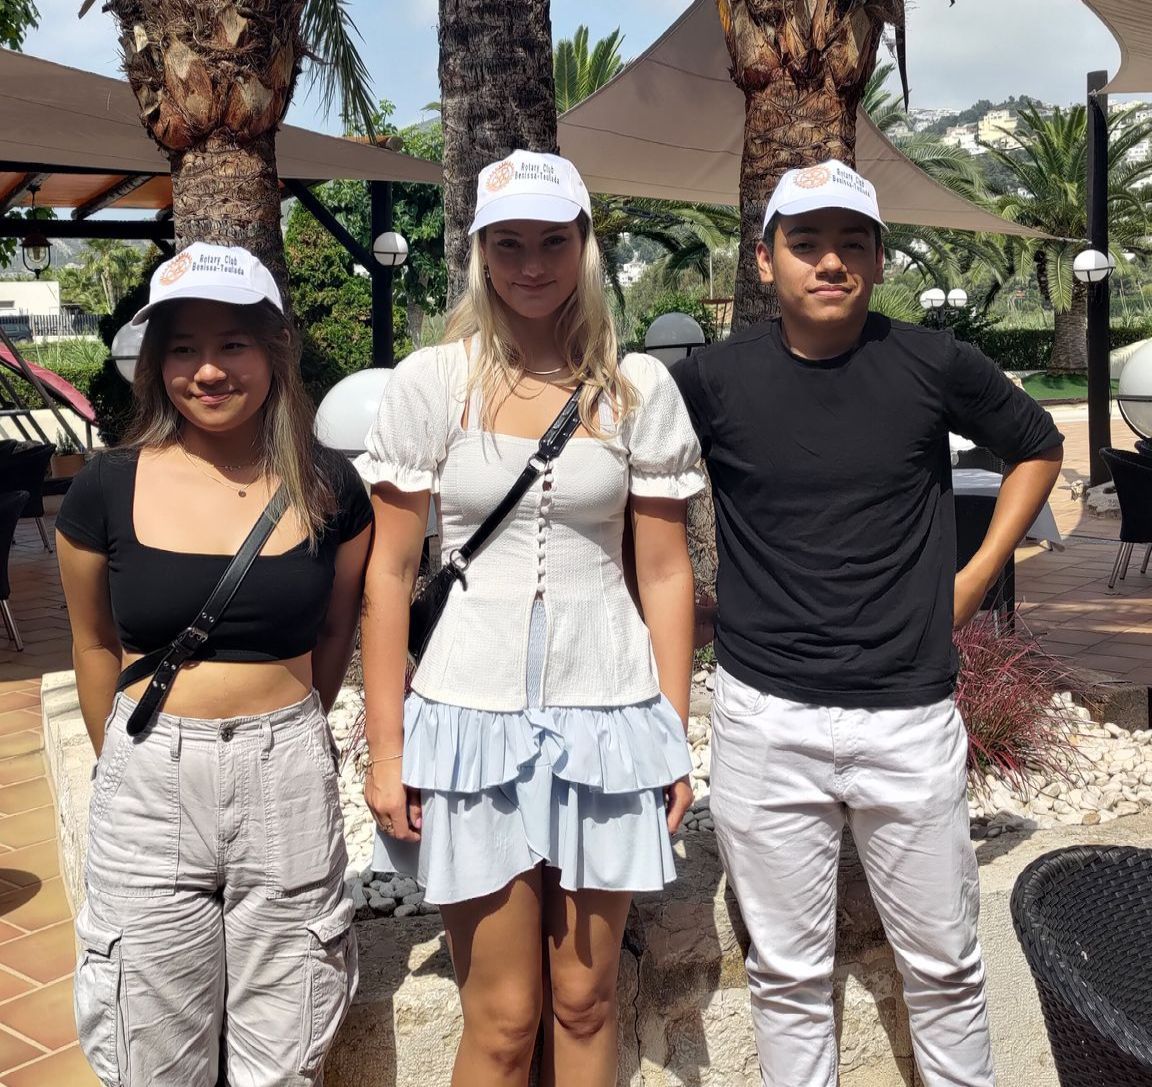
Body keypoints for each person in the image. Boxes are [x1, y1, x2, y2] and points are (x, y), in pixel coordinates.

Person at [671, 160, 1064, 1087]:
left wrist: (972, 579)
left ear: (879, 260)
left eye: (853, 242)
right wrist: (684, 614)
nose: (830, 261)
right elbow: (633, 494)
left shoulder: (932, 361)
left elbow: (1038, 445)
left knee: (947, 967)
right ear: (765, 260)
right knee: (787, 977)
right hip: (765, 718)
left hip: (908, 714)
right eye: (806, 242)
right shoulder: (711, 380)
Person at [357, 149, 703, 1087]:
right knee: (505, 1017)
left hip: (609, 714)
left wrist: (671, 732)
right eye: (508, 243)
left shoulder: (635, 389)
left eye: (553, 241)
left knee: (587, 998)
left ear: (584, 246)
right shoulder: (433, 383)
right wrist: (386, 750)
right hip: (468, 717)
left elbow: (665, 572)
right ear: (479, 251)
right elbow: (389, 572)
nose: (531, 264)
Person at [56, 243, 372, 1086]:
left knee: (286, 1055)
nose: (207, 370)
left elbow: (335, 631)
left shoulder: (330, 488)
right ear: (156, 362)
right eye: (184, 347)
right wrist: (127, 760)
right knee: (150, 1057)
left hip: (286, 776)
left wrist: (288, 734)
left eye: (233, 343)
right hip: (151, 776)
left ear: (274, 350)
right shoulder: (105, 487)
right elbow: (93, 642)